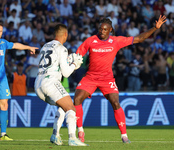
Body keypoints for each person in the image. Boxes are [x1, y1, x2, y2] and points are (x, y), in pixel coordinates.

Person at [52, 15, 167, 143]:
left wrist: (154, 28)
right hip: (90, 77)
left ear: (110, 30)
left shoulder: (116, 41)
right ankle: (80, 132)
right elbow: (77, 56)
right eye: (100, 29)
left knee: (115, 102)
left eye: (104, 29)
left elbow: (140, 38)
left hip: (107, 79)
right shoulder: (90, 40)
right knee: (77, 99)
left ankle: (124, 136)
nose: (101, 31)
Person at [34, 24, 87, 146]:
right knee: (71, 108)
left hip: (38, 84)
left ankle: (55, 135)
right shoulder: (62, 48)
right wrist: (74, 64)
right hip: (50, 82)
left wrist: (68, 60)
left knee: (63, 107)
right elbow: (66, 73)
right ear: (65, 35)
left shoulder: (45, 46)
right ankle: (73, 138)